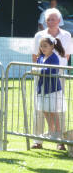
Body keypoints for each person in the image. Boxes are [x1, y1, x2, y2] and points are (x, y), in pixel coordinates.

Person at [32, 8, 72, 150]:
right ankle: (38, 139)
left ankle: (60, 140)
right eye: (48, 19)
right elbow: (35, 55)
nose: (50, 22)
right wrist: (39, 70)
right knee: (40, 108)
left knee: (57, 107)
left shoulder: (66, 35)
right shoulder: (39, 35)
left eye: (53, 19)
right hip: (41, 75)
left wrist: (56, 69)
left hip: (58, 75)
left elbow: (67, 56)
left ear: (59, 21)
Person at [35, 36, 66, 147]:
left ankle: (59, 138)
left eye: (45, 46)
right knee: (45, 111)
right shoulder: (40, 57)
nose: (43, 48)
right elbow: (38, 67)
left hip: (52, 89)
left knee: (54, 112)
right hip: (42, 89)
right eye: (41, 46)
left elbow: (52, 70)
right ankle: (51, 132)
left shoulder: (54, 57)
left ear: (52, 46)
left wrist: (38, 70)